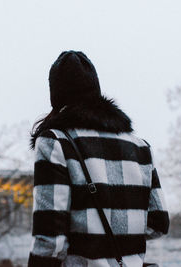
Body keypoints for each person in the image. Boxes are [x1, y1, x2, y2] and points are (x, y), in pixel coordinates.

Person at [28, 51, 169, 267]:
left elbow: (50, 241)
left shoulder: (55, 142)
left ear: (55, 96)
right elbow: (158, 223)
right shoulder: (140, 147)